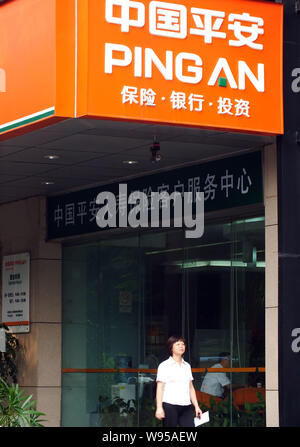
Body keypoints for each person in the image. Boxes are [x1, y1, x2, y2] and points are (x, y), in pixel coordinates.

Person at [155, 335, 202, 427]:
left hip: (186, 405)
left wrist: (196, 406)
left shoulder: (187, 366)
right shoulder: (164, 365)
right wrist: (159, 408)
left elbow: (191, 388)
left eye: (183, 344)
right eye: (178, 344)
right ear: (171, 348)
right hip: (170, 405)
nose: (181, 346)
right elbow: (160, 388)